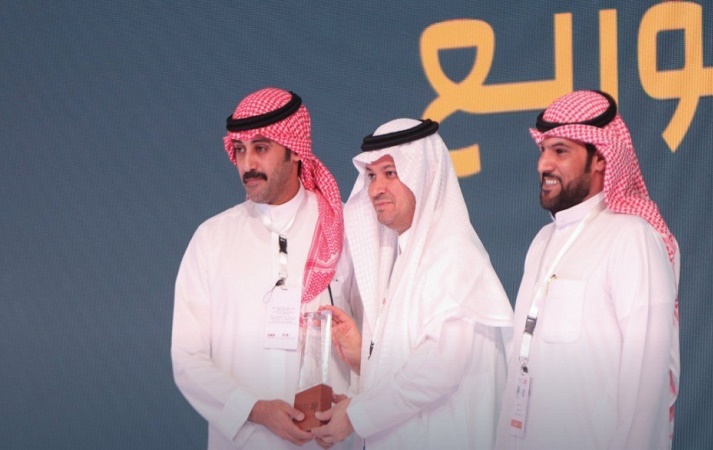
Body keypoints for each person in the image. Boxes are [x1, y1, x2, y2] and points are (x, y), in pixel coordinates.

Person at [311, 118, 514, 449]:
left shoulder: (454, 257)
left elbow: (437, 368)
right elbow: (410, 361)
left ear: (424, 176)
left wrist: (356, 415)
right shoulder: (404, 258)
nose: (375, 189)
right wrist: (364, 361)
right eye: (371, 175)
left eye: (390, 173)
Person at [495, 90, 681, 449]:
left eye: (560, 151)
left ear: (600, 158)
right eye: (543, 150)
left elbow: (647, 387)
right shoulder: (542, 242)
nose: (543, 164)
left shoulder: (632, 238)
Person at [171, 88, 355, 449]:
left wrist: (358, 409)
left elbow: (377, 345)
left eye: (261, 148)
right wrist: (254, 409)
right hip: (245, 439)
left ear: (295, 150)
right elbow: (188, 358)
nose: (248, 164)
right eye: (240, 150)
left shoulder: (345, 230)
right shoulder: (212, 239)